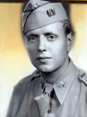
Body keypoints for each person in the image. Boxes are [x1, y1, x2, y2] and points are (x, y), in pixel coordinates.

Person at [6, 0, 87, 117]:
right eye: (33, 38)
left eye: (51, 37)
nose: (41, 47)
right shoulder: (21, 90)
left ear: (68, 42)